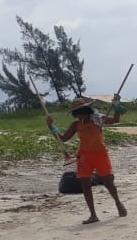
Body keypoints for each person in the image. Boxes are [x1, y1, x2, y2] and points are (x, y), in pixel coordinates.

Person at [46, 95, 127, 224]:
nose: (80, 116)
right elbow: (62, 138)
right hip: (84, 156)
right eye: (77, 114)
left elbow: (115, 120)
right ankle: (93, 215)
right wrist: (51, 127)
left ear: (87, 111)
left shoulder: (98, 119)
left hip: (100, 154)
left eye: (81, 113)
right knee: (85, 185)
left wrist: (116, 104)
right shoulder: (76, 125)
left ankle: (118, 203)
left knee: (108, 182)